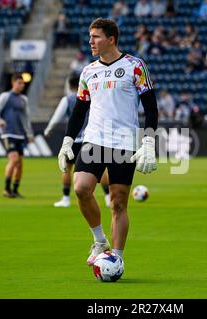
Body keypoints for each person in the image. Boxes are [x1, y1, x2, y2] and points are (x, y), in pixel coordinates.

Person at [57, 19, 158, 267]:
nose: (91, 41)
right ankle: (100, 241)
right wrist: (68, 140)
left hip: (124, 142)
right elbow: (79, 110)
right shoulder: (88, 71)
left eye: (96, 37)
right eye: (90, 36)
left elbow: (151, 108)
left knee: (119, 202)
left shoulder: (135, 66)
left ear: (111, 39)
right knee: (81, 188)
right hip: (94, 139)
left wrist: (148, 142)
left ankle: (117, 259)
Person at [44, 75, 111, 208]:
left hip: (74, 140)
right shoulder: (92, 96)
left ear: (69, 86)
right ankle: (108, 197)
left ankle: (66, 198)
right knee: (101, 169)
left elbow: (57, 116)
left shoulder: (67, 99)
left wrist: (48, 130)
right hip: (91, 139)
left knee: (67, 168)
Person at [0, 74, 35, 198]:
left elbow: (26, 118)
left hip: (20, 134)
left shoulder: (24, 99)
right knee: (14, 160)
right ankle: (6, 188)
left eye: (23, 84)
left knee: (20, 164)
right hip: (8, 132)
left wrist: (29, 133)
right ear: (13, 83)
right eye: (19, 83)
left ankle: (15, 190)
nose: (22, 86)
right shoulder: (5, 96)